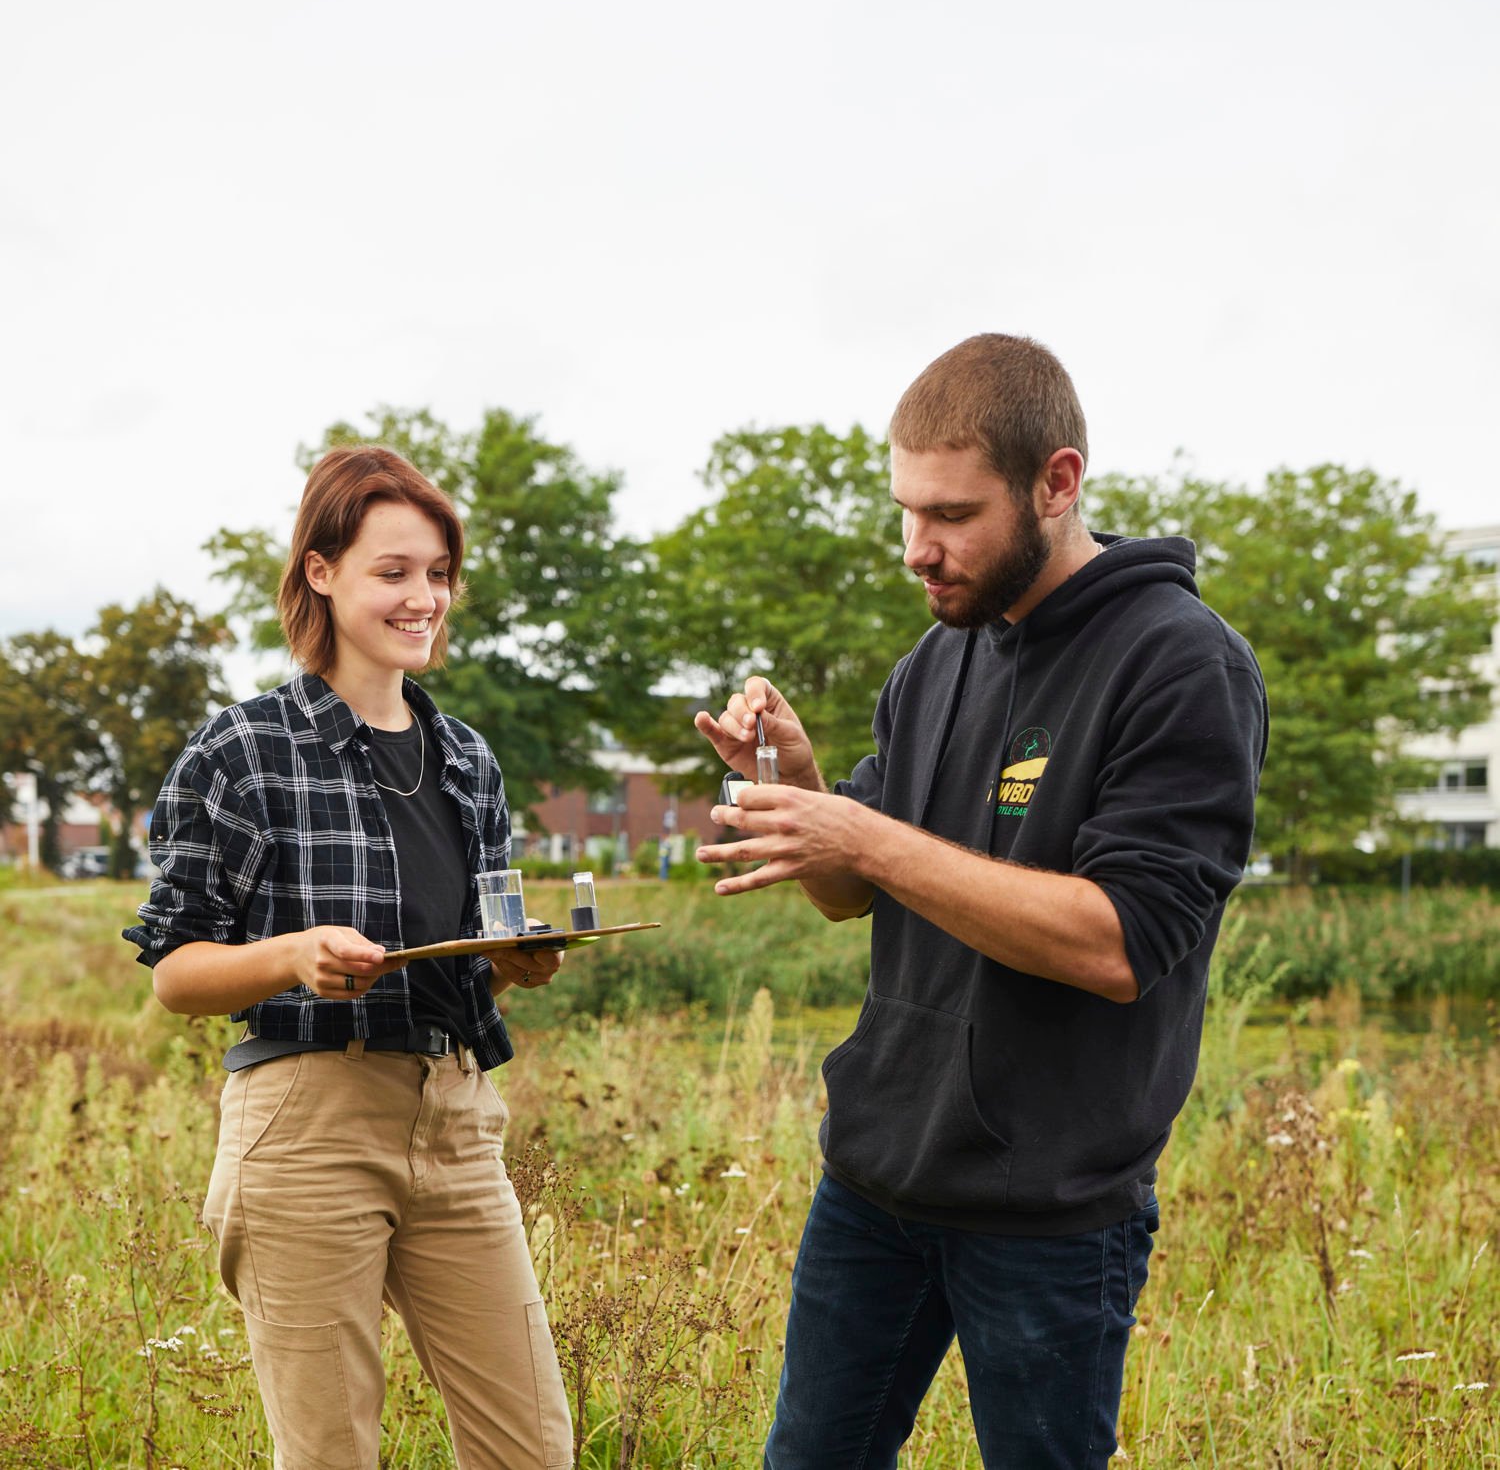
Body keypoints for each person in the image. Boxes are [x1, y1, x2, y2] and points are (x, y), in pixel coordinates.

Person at [694, 334, 1268, 1469]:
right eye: (908, 511)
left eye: (953, 514)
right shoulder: (936, 659)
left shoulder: (1180, 663)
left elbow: (1121, 944)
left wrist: (866, 834)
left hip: (1051, 1212)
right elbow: (850, 896)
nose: (919, 548)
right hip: (876, 1183)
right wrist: (807, 792)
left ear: (1057, 482)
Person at [124, 445, 573, 1470]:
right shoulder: (242, 752)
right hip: (308, 1126)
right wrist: (293, 954)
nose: (425, 598)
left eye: (439, 573)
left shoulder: (467, 759)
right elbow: (175, 973)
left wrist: (511, 963)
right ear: (321, 572)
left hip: (457, 1120)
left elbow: (470, 952)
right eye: (394, 571)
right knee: (329, 1453)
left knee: (532, 1449)